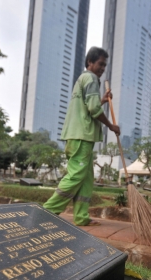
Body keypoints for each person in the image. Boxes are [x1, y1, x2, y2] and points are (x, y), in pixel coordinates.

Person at [43, 47, 120, 226]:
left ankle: (81, 217)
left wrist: (101, 100)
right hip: (81, 136)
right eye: (100, 64)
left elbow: (88, 105)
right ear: (90, 63)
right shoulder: (91, 78)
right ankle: (46, 212)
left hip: (77, 135)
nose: (102, 68)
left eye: (104, 65)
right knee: (76, 175)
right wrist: (111, 126)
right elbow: (93, 110)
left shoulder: (83, 79)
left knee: (86, 179)